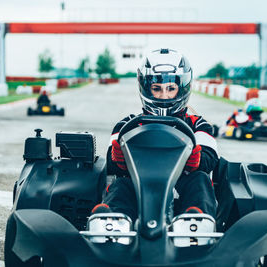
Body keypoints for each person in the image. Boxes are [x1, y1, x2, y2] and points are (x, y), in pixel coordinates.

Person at [91, 48, 218, 223]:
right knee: (121, 184)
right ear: (146, 88)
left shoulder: (198, 124)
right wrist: (118, 158)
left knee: (200, 180)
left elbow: (210, 159)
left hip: (182, 189)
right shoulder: (127, 124)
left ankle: (195, 221)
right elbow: (111, 166)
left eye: (170, 88)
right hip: (139, 188)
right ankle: (112, 221)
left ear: (182, 89)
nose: (163, 95)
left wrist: (197, 160)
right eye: (156, 88)